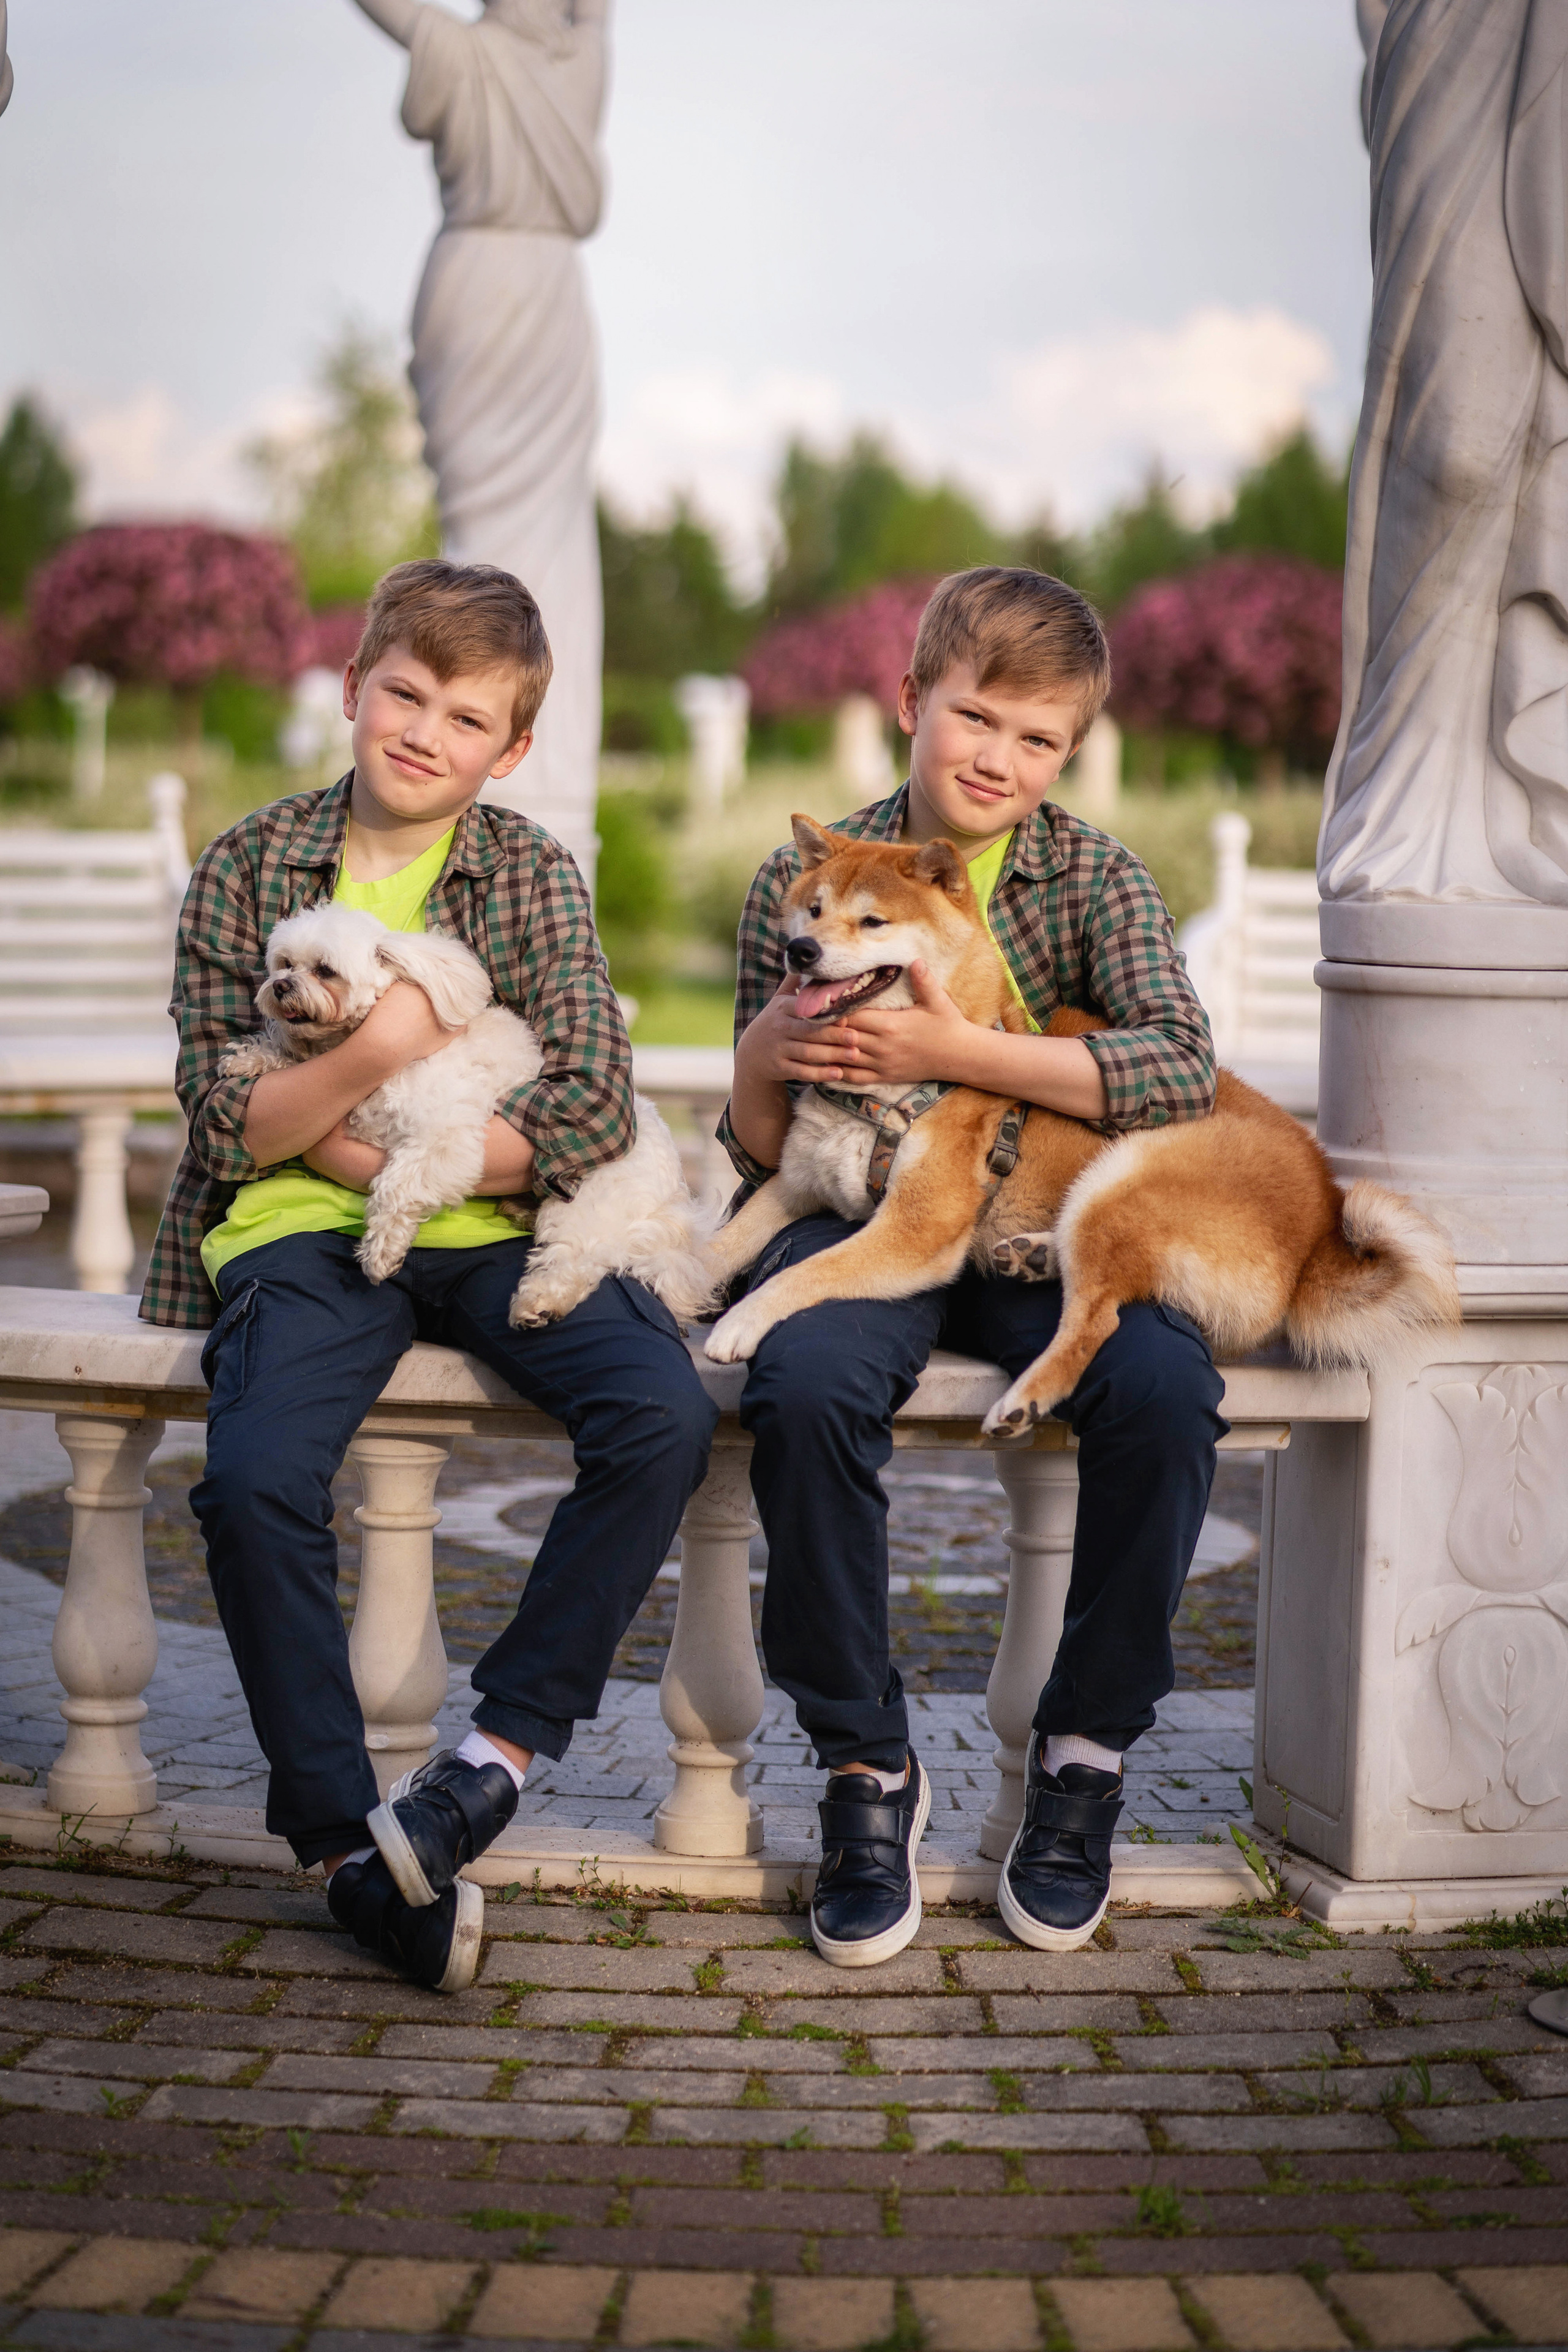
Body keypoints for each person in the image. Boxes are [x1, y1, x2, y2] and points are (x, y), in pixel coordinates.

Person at [141, 559, 716, 1992]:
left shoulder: (527, 872)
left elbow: (590, 1098)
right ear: (353, 689)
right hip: (293, 1235)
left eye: (466, 718)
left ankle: (492, 1761)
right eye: (404, 694)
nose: (424, 732)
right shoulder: (251, 863)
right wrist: (388, 1055)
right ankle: (345, 1847)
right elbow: (225, 1119)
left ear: (507, 749)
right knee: (252, 1482)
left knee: (661, 1412)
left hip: (495, 1220)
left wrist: (407, 1155)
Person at [722, 567, 1225, 1964]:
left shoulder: (1094, 877)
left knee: (1165, 1393)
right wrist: (761, 1049)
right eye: (977, 717)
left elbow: (1178, 1070)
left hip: (1032, 1230)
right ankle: (862, 1760)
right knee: (801, 1386)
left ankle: (1082, 1756)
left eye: (1037, 737)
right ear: (911, 702)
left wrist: (960, 1052)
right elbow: (758, 1141)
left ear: (1070, 751)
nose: (999, 758)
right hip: (855, 1212)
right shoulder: (810, 873)